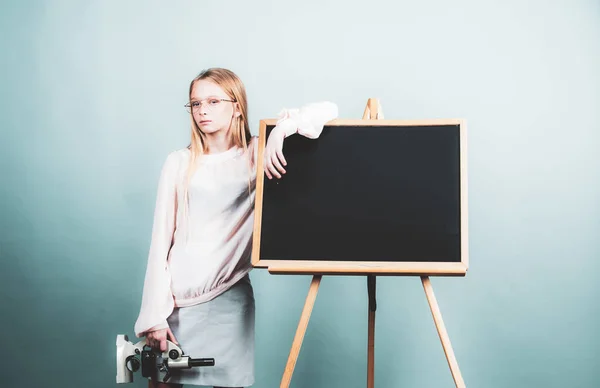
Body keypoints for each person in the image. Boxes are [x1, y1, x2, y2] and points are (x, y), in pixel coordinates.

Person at [133, 67, 338, 388]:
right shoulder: (179, 162)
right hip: (174, 303)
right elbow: (160, 242)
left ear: (237, 106)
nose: (203, 111)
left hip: (228, 296)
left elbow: (329, 109)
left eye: (213, 101)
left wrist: (281, 131)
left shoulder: (257, 154)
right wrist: (154, 316)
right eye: (196, 103)